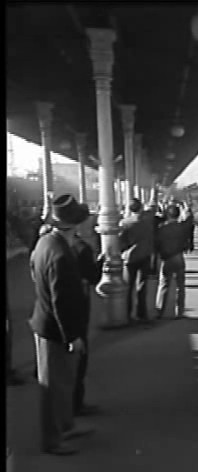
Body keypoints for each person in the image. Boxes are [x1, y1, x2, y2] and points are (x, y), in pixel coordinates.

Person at [29, 194, 95, 455]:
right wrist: (72, 336)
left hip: (45, 322)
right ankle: (52, 440)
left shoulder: (44, 243)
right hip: (54, 329)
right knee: (53, 388)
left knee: (63, 383)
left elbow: (34, 273)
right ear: (74, 225)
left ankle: (65, 425)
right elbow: (62, 301)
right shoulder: (61, 255)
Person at [70, 222, 104, 416]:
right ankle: (76, 403)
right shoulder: (82, 249)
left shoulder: (47, 244)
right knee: (80, 354)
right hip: (79, 304)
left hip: (53, 307)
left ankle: (67, 404)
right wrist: (100, 263)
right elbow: (92, 277)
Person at [118, 198, 155, 323]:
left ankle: (127, 314)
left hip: (130, 257)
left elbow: (121, 241)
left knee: (128, 286)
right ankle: (142, 313)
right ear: (141, 207)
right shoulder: (148, 220)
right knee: (142, 285)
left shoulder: (125, 223)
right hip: (145, 255)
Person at [154, 204, 193, 319]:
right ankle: (179, 311)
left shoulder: (161, 229)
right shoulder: (182, 227)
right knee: (180, 286)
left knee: (164, 284)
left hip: (166, 258)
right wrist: (187, 208)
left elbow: (157, 243)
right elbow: (189, 219)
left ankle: (160, 310)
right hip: (179, 257)